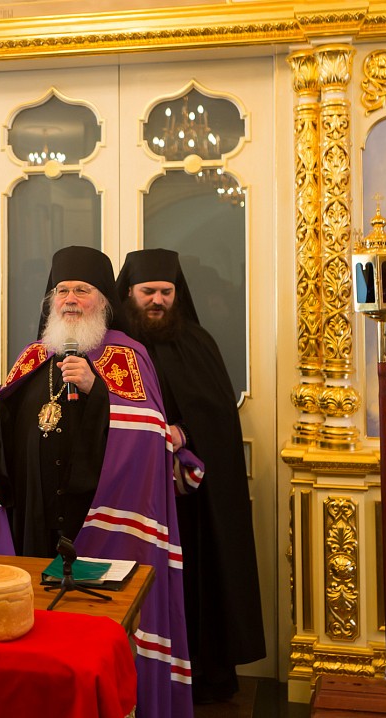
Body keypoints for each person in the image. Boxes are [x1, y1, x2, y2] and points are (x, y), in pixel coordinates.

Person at [0, 245, 194, 718]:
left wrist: (95, 390)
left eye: (82, 290)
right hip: (36, 515)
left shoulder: (127, 355)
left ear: (103, 301)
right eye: (61, 290)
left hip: (96, 519)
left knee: (89, 637)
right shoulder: (33, 356)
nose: (69, 299)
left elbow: (151, 434)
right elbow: (17, 431)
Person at [117, 248, 266, 704]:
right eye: (148, 291)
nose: (158, 300)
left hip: (188, 502)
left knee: (194, 582)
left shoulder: (198, 342)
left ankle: (200, 674)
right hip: (131, 493)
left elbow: (218, 415)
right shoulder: (114, 346)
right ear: (129, 292)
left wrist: (185, 432)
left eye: (166, 292)